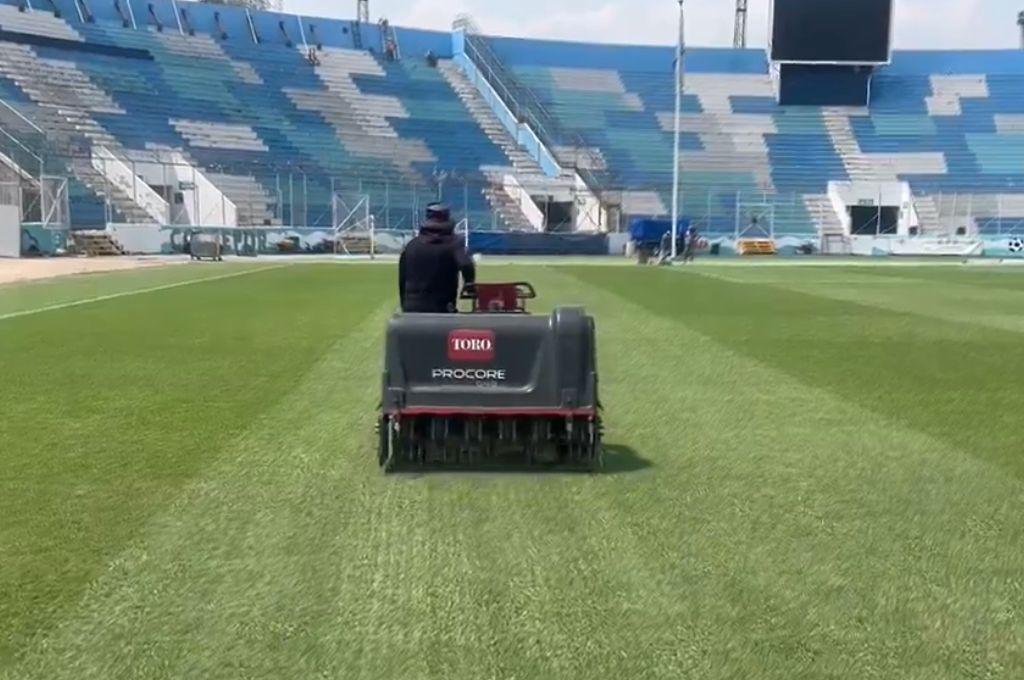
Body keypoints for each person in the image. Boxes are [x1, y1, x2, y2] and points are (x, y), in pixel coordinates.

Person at [399, 203, 475, 313]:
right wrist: (469, 283)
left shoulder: (411, 245)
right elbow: (466, 264)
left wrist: (404, 305)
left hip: (412, 306)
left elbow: (402, 278)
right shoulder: (454, 244)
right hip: (442, 307)